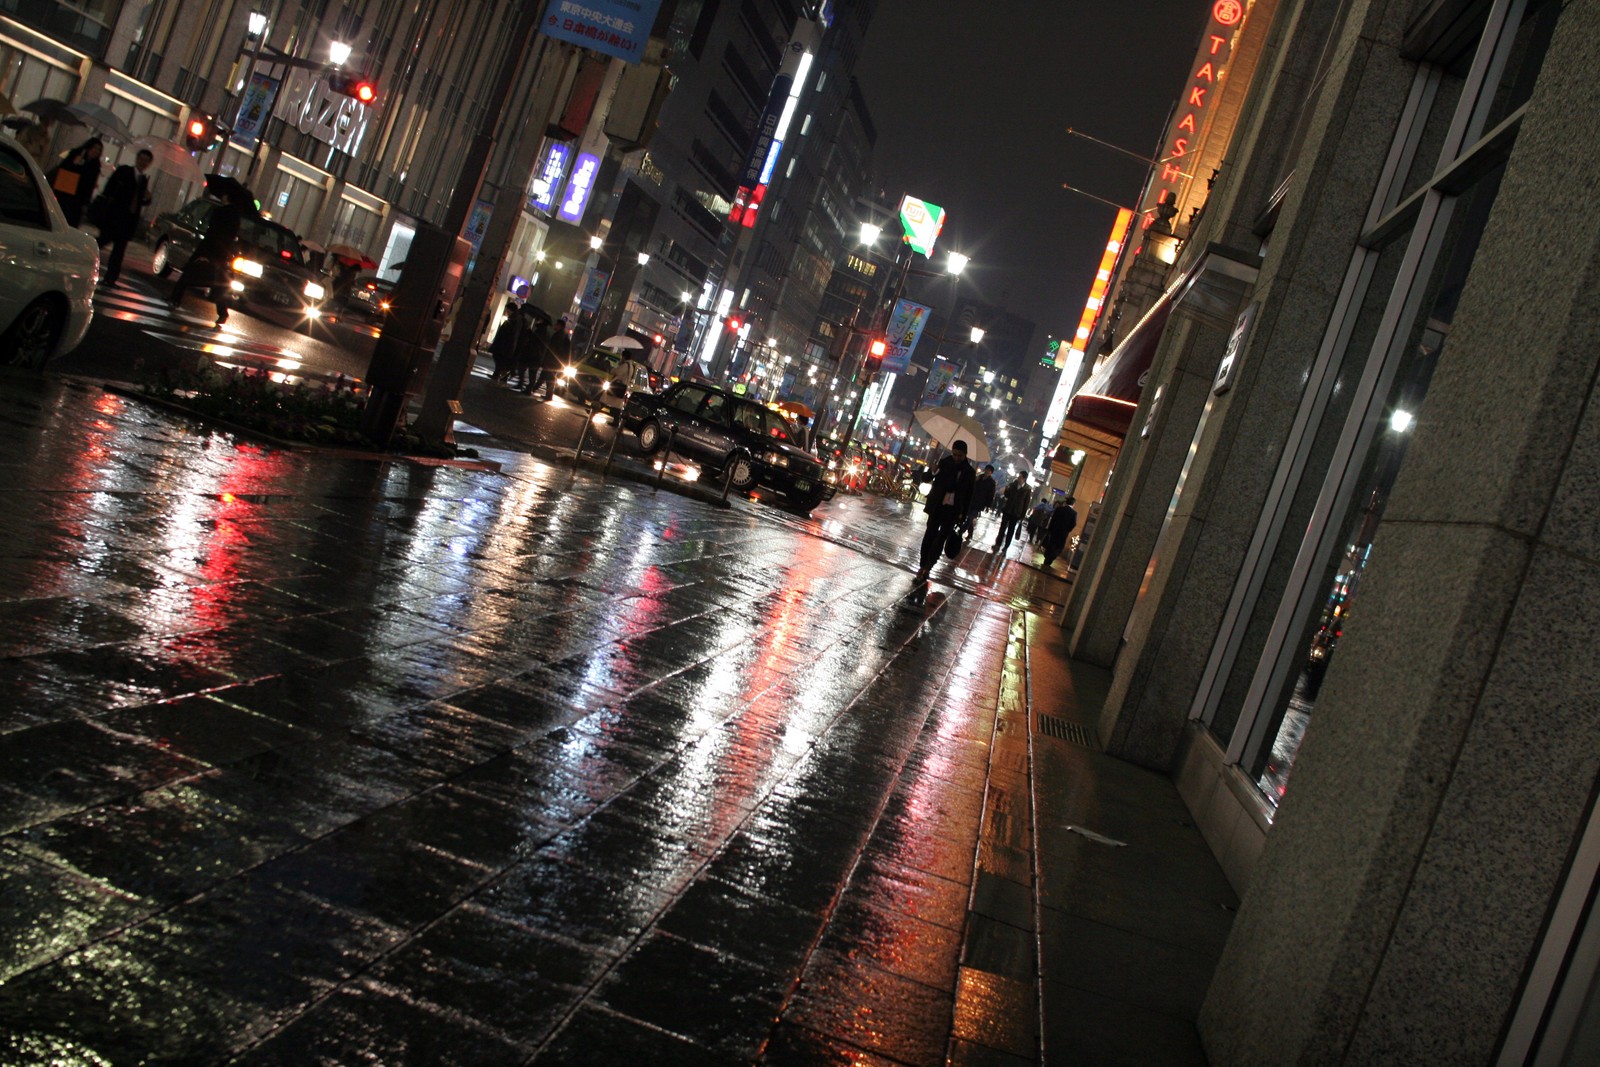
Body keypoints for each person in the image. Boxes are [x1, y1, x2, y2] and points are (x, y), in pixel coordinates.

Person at [170, 188, 246, 326]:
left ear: (226, 196)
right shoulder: (236, 216)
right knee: (219, 284)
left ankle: (175, 298)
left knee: (190, 272)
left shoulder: (219, 212)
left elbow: (211, 232)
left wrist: (204, 252)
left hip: (210, 247)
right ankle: (222, 313)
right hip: (223, 253)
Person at [913, 439, 975, 584]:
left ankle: (929, 566)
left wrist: (963, 515)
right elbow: (926, 478)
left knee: (940, 539)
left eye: (960, 455)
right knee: (929, 535)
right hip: (937, 506)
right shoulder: (944, 462)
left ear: (965, 455)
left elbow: (968, 495)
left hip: (953, 510)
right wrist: (933, 471)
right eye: (954, 454)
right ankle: (922, 564)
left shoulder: (969, 472)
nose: (956, 457)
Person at [94, 148, 153, 286]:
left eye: (146, 161)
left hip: (128, 221)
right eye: (141, 159)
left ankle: (111, 278)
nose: (143, 163)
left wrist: (147, 198)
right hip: (115, 216)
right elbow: (110, 189)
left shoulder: (143, 179)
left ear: (149, 164)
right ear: (137, 159)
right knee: (100, 242)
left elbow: (139, 201)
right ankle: (83, 260)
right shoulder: (124, 171)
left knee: (119, 252)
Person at [47, 137, 102, 227]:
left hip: (78, 200)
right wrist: (74, 164)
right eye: (95, 148)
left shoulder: (95, 166)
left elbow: (90, 186)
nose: (96, 151)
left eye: (99, 150)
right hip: (65, 194)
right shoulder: (76, 154)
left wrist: (86, 202)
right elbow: (63, 169)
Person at [536, 317, 571, 400]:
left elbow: (554, 349)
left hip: (553, 361)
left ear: (559, 325)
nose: (555, 326)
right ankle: (535, 389)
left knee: (548, 377)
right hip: (554, 361)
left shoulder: (559, 335)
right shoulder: (562, 335)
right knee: (546, 376)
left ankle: (534, 389)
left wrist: (548, 358)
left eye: (556, 324)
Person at [996, 472, 1031, 552]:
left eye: (1020, 477)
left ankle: (1006, 546)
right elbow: (1007, 495)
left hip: (1016, 513)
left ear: (1024, 478)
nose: (1018, 478)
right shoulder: (1012, 485)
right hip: (1008, 509)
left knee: (1011, 530)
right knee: (1002, 528)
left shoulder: (1027, 489)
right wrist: (1006, 490)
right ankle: (998, 544)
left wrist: (1022, 515)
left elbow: (1026, 503)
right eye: (1018, 476)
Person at [489, 302, 523, 383]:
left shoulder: (513, 319)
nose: (506, 311)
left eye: (507, 309)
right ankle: (501, 375)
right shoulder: (516, 319)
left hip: (504, 344)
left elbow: (507, 333)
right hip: (507, 345)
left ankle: (500, 374)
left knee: (499, 359)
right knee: (501, 360)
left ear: (510, 310)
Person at [1042, 494, 1079, 569]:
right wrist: (1068, 530)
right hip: (1063, 533)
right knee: (1059, 547)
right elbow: (1073, 524)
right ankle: (1051, 558)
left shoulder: (1059, 509)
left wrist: (1050, 529)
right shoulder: (1073, 513)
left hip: (1054, 530)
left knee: (1051, 544)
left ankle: (1047, 558)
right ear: (1073, 504)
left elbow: (1053, 520)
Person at [966, 464, 997, 537]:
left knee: (970, 518)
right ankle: (970, 533)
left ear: (991, 472)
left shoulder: (991, 482)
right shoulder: (978, 477)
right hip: (971, 500)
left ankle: (960, 532)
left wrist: (988, 505)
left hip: (980, 503)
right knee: (969, 517)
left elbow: (991, 495)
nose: (987, 471)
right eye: (986, 469)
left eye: (989, 471)